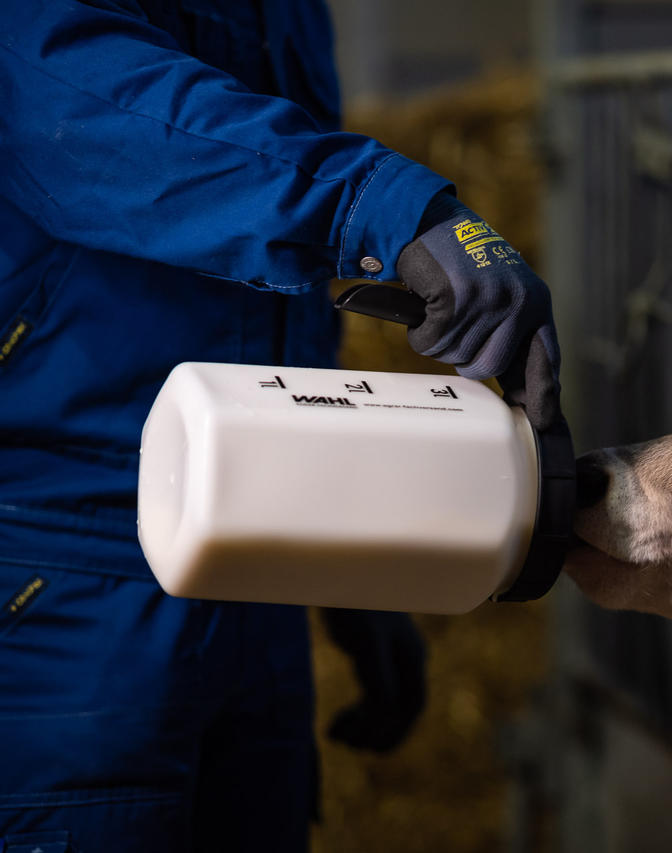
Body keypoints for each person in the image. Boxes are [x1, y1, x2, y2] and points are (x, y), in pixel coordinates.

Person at [0, 1, 562, 850]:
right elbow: (72, 94)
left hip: (250, 560)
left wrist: (338, 547)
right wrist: (375, 203)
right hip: (70, 565)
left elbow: (255, 306)